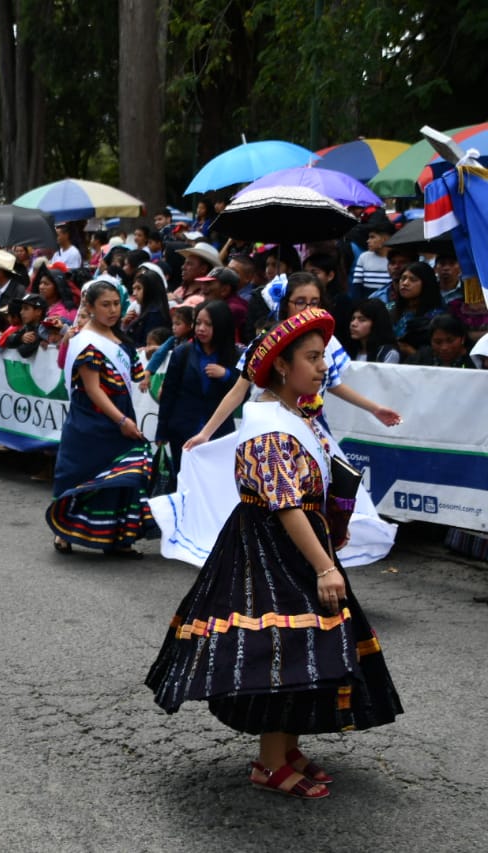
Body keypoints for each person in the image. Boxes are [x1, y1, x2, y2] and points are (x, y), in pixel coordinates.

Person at [146, 307, 402, 800]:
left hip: (298, 542)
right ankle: (269, 762)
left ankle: (285, 749)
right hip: (269, 549)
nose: (321, 367)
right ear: (282, 367)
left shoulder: (293, 414)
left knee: (310, 648)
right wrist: (325, 565)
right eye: (311, 358)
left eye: (322, 357)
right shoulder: (268, 425)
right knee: (282, 651)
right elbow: (285, 505)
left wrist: (333, 531)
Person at [183, 273, 402, 452]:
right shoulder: (266, 340)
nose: (307, 310)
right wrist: (206, 433)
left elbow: (333, 384)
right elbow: (238, 391)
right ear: (285, 304)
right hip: (271, 428)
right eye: (300, 302)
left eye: (314, 303)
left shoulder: (328, 341)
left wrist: (375, 408)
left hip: (311, 428)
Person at [46, 281, 154, 558]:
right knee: (78, 472)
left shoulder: (121, 339)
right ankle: (64, 533)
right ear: (91, 308)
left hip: (120, 412)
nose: (113, 310)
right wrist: (121, 421)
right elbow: (93, 389)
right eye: (105, 305)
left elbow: (137, 374)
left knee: (121, 475)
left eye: (116, 303)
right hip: (92, 419)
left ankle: (118, 537)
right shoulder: (86, 342)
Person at [155, 300, 240, 491]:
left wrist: (225, 375)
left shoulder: (234, 355)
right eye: (198, 322)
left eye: (208, 324)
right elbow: (169, 393)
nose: (201, 329)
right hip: (183, 431)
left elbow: (243, 391)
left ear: (221, 325)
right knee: (184, 483)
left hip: (219, 433)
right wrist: (162, 430)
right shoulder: (182, 353)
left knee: (216, 486)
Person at [387, 261, 446, 360]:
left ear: (426, 283)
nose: (405, 283)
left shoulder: (437, 317)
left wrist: (409, 350)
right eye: (403, 278)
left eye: (412, 279)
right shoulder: (388, 309)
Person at [341, 299, 400, 363]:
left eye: (362, 320)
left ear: (376, 323)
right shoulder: (347, 351)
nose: (353, 324)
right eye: (353, 319)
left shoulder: (388, 353)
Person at [409, 313, 475, 368]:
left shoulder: (475, 361)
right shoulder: (420, 358)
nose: (444, 347)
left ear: (462, 339)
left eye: (450, 341)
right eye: (438, 342)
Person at [350, 221, 393, 300]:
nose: (368, 241)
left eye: (372, 237)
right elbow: (356, 286)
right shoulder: (364, 257)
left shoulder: (396, 259)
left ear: (384, 239)